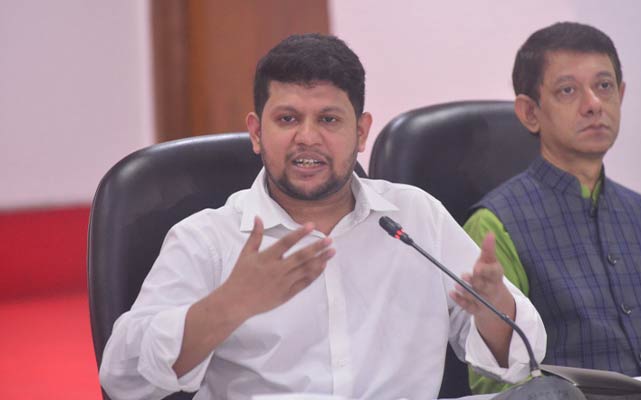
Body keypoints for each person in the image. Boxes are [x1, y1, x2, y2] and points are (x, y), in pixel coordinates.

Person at [99, 33, 545, 400]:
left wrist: (494, 306)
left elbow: (520, 359)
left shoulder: (414, 217)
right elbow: (123, 378)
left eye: (329, 120)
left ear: (361, 132)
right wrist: (228, 306)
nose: (307, 137)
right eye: (287, 119)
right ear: (256, 132)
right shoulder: (208, 238)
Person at [464, 22, 641, 392]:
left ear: (621, 96)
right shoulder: (495, 226)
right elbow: (493, 386)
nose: (594, 104)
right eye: (568, 90)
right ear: (530, 112)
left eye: (604, 86)